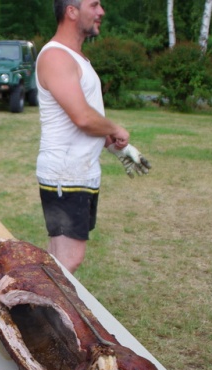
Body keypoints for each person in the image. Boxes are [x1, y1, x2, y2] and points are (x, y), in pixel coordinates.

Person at [36, 0, 137, 273]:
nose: (101, 12)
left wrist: (110, 142)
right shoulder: (56, 56)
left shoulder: (75, 57)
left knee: (58, 259)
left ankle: (33, 299)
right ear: (71, 11)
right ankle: (32, 300)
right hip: (65, 175)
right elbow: (82, 117)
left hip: (79, 173)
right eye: (94, 5)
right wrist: (115, 129)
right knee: (67, 259)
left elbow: (85, 114)